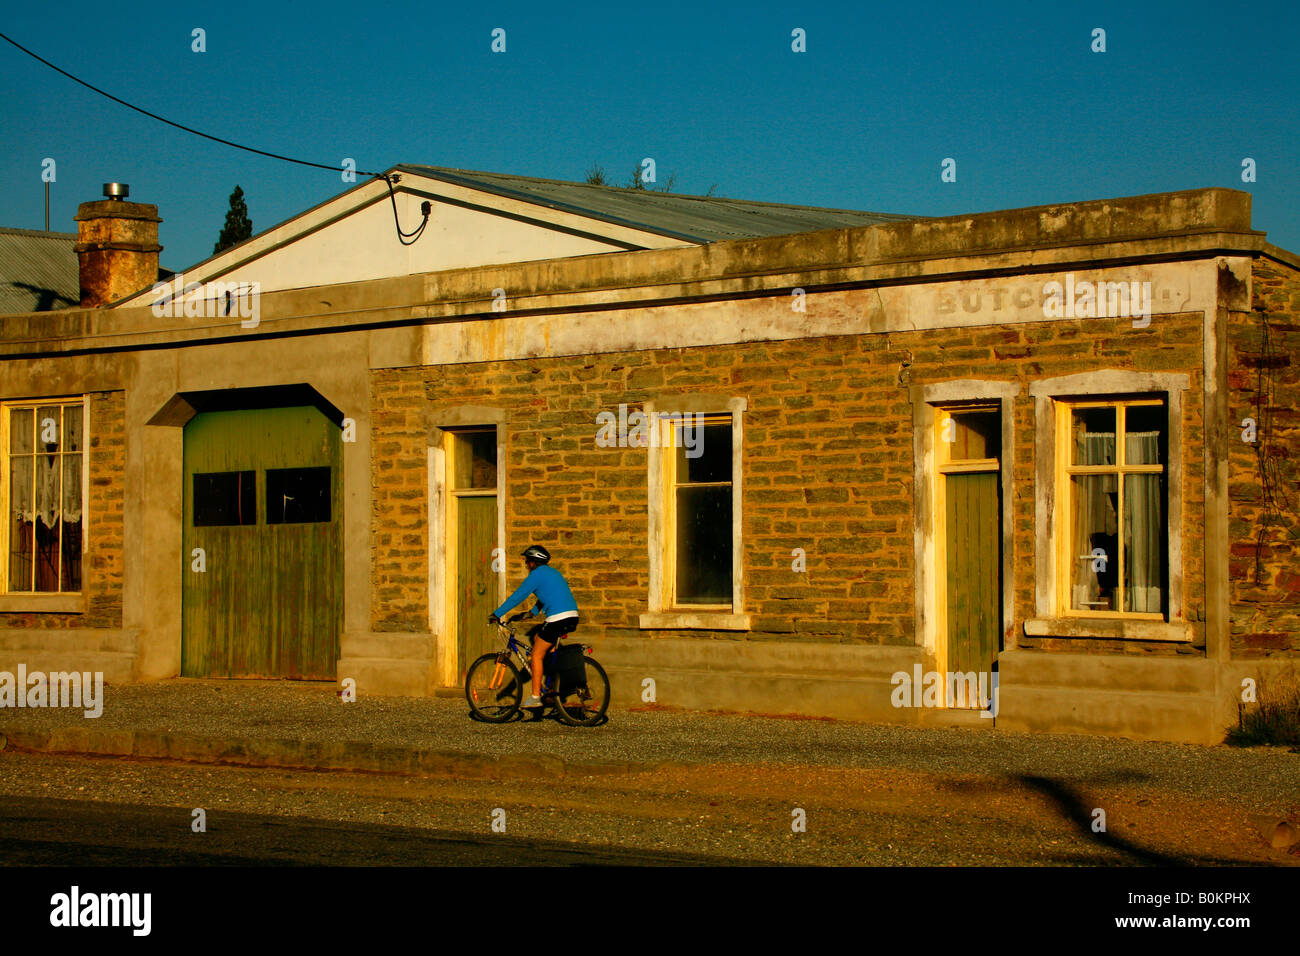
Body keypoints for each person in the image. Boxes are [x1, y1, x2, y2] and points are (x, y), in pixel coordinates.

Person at [488, 545, 579, 709]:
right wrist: (530, 614)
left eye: (527, 561)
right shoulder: (553, 573)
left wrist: (497, 613)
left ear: (533, 562)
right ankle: (552, 688)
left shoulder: (536, 575)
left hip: (557, 618)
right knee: (540, 640)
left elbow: (518, 595)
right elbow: (547, 596)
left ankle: (536, 697)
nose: (526, 564)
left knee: (536, 655)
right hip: (572, 616)